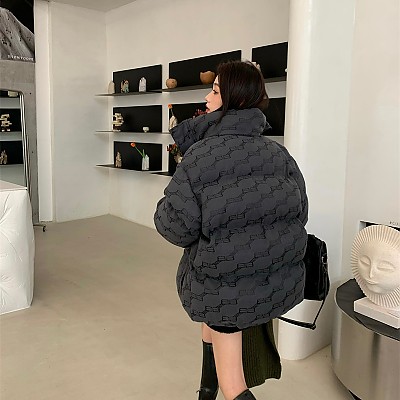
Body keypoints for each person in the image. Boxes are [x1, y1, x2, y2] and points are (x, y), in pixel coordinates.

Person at [154, 60, 308, 400]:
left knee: (234, 385)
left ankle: (216, 390)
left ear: (234, 99)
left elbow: (176, 227)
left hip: (225, 287)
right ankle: (205, 391)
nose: (207, 98)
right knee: (210, 326)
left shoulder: (201, 156)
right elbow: (300, 213)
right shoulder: (279, 155)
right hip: (268, 279)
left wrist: (169, 204)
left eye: (215, 91)